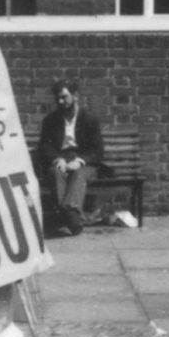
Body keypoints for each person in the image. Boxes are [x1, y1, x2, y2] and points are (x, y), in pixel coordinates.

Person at [37, 78, 104, 235]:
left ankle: (68, 213)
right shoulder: (51, 120)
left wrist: (80, 161)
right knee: (55, 173)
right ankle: (72, 217)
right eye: (57, 98)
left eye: (64, 97)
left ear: (75, 96)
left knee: (78, 174)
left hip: (84, 163)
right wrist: (56, 158)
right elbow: (44, 146)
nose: (60, 101)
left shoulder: (89, 119)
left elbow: (98, 151)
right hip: (61, 159)